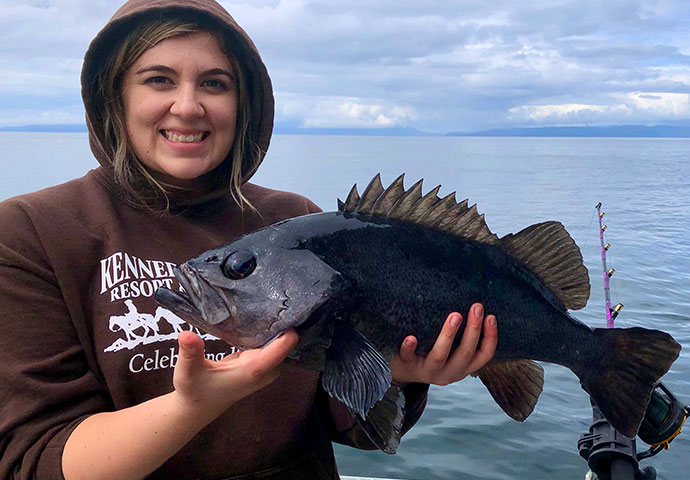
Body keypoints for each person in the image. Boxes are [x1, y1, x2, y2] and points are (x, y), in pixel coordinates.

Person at [0, 1, 498, 479]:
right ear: (115, 97)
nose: (188, 106)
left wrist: (402, 375)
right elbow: (34, 460)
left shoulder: (294, 219)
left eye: (215, 83)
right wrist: (191, 407)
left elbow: (347, 422)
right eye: (158, 80)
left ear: (244, 103)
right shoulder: (30, 232)